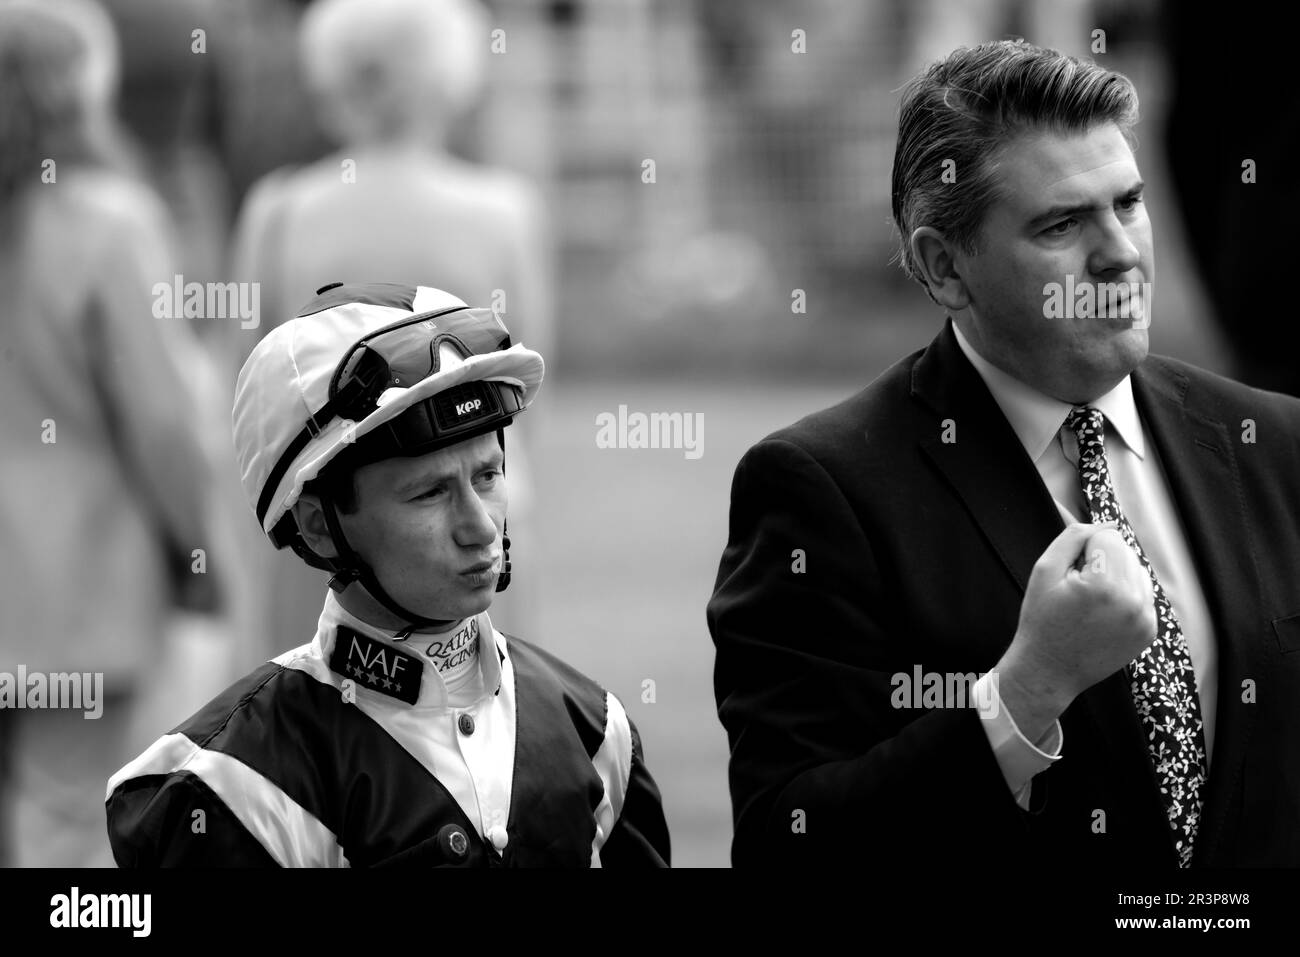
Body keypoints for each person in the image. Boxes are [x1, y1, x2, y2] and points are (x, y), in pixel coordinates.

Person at [708, 40, 1300, 868]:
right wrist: (1023, 694)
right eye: (1062, 223)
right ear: (943, 266)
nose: (1121, 252)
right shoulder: (822, 490)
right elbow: (789, 837)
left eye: (1128, 203)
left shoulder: (1274, 443)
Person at [105, 283, 669, 867]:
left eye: (488, 476)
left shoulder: (598, 731)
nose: (479, 528)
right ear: (319, 526)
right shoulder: (225, 788)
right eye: (429, 493)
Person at [227, 0, 554, 660]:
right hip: (464, 516)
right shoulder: (503, 211)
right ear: (449, 76)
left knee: (308, 739)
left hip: (325, 524)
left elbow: (247, 400)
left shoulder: (281, 210)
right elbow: (531, 390)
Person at [0, 0, 219, 867]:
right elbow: (163, 419)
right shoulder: (106, 222)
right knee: (70, 838)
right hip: (78, 586)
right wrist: (198, 553)